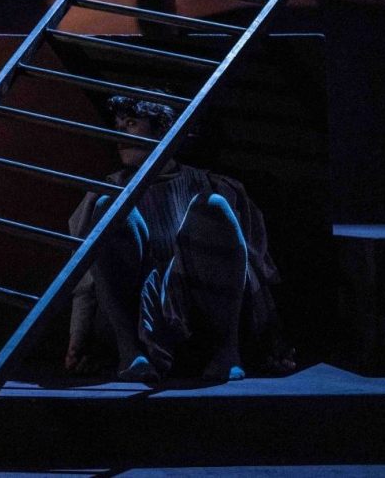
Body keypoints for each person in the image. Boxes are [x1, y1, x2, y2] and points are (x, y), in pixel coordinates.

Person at [65, 95, 295, 383]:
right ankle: (130, 354)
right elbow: (85, 278)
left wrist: (273, 339)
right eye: (118, 125)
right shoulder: (108, 189)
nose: (120, 134)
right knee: (109, 207)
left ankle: (226, 352)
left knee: (213, 206)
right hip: (135, 319)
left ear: (163, 130)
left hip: (200, 316)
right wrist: (78, 341)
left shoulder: (211, 184)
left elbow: (253, 266)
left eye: (131, 124)